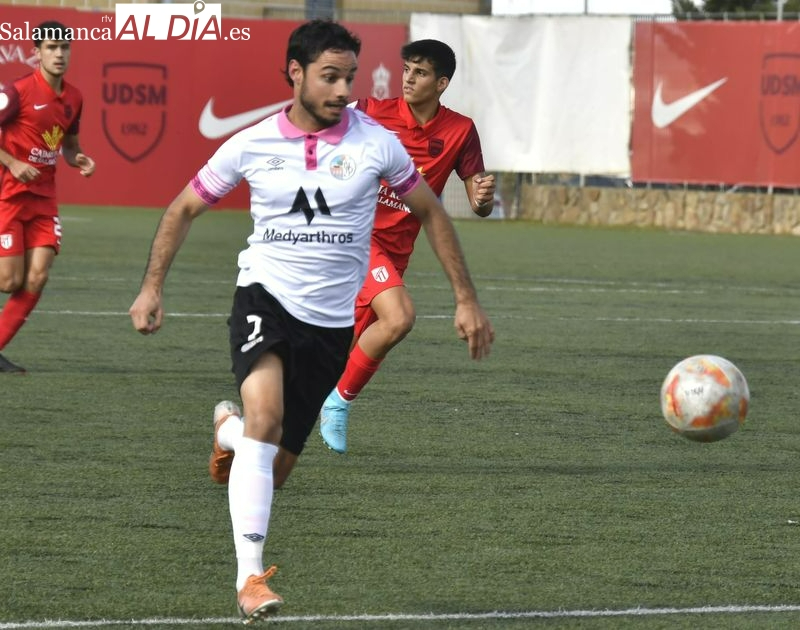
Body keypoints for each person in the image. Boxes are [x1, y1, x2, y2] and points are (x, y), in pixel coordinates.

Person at [128, 19, 493, 623]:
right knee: (266, 420)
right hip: (265, 299)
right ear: (294, 73)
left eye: (350, 76)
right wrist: (151, 287)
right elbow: (185, 205)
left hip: (328, 327)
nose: (344, 88)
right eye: (330, 76)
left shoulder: (376, 143)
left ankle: (228, 433)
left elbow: (432, 211)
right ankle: (250, 580)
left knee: (272, 463)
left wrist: (466, 298)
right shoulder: (253, 142)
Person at [318, 39, 496, 453]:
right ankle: (339, 405)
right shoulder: (371, 113)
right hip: (353, 240)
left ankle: (237, 428)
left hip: (393, 257)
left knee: (327, 362)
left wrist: (483, 198)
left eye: (420, 72)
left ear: (442, 83)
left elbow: (477, 200)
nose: (409, 78)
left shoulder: (460, 131)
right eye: (407, 70)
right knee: (399, 318)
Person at [0, 21, 95, 373]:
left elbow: (69, 147)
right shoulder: (17, 91)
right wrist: (11, 162)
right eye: (52, 47)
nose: (59, 54)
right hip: (9, 197)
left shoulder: (74, 97)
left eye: (64, 48)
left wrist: (79, 159)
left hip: (44, 200)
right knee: (9, 281)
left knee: (37, 277)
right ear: (36, 52)